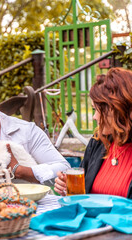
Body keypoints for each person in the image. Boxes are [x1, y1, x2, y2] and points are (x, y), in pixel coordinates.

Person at [54, 68, 132, 198]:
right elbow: (83, 194)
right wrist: (67, 187)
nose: (94, 117)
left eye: (97, 110)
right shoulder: (98, 143)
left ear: (117, 110)